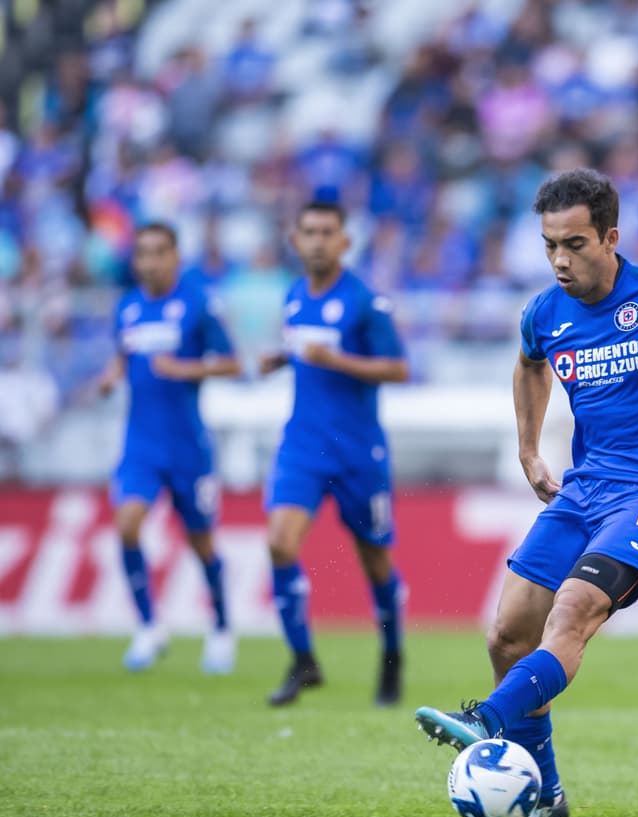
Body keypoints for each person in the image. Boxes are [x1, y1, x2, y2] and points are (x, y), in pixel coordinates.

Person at [414, 168, 638, 817]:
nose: (560, 259)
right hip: (584, 493)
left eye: (575, 244)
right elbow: (528, 362)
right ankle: (546, 793)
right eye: (550, 243)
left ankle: (485, 717)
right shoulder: (546, 313)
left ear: (610, 237)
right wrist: (529, 448)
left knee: (573, 610)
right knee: (507, 633)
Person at [259, 200, 410, 707]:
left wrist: (335, 359)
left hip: (357, 455)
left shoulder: (366, 302)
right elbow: (307, 353)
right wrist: (282, 358)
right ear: (295, 240)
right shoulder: (293, 297)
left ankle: (392, 658)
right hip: (302, 447)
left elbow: (397, 368)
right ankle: (303, 661)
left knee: (376, 562)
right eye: (309, 232)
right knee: (280, 543)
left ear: (345, 241)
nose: (318, 241)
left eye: (328, 232)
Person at [97, 222, 241, 673]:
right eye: (142, 253)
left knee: (201, 543)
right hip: (140, 445)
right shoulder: (128, 307)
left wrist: (184, 370)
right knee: (126, 524)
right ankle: (149, 626)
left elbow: (232, 362)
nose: (150, 261)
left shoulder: (198, 303)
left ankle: (220, 628)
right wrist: (112, 374)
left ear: (176, 256)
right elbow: (124, 353)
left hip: (187, 447)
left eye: (159, 252)